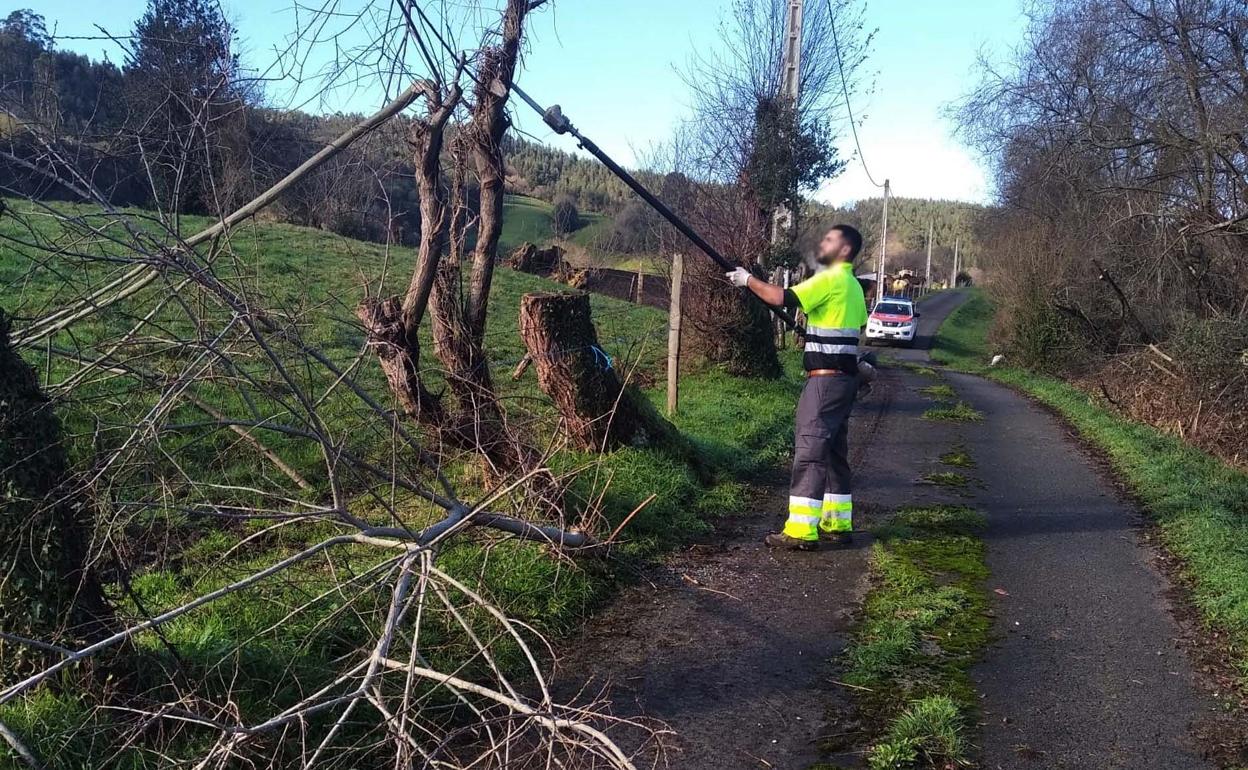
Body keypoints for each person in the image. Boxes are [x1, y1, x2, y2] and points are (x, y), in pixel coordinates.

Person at [726, 225, 869, 550]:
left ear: (844, 251)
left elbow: (780, 297)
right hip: (845, 381)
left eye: (830, 239)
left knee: (809, 451)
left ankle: (802, 532)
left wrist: (746, 280)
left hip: (823, 382)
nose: (823, 243)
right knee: (834, 453)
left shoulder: (829, 278)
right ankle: (837, 523)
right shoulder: (854, 286)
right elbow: (845, 325)